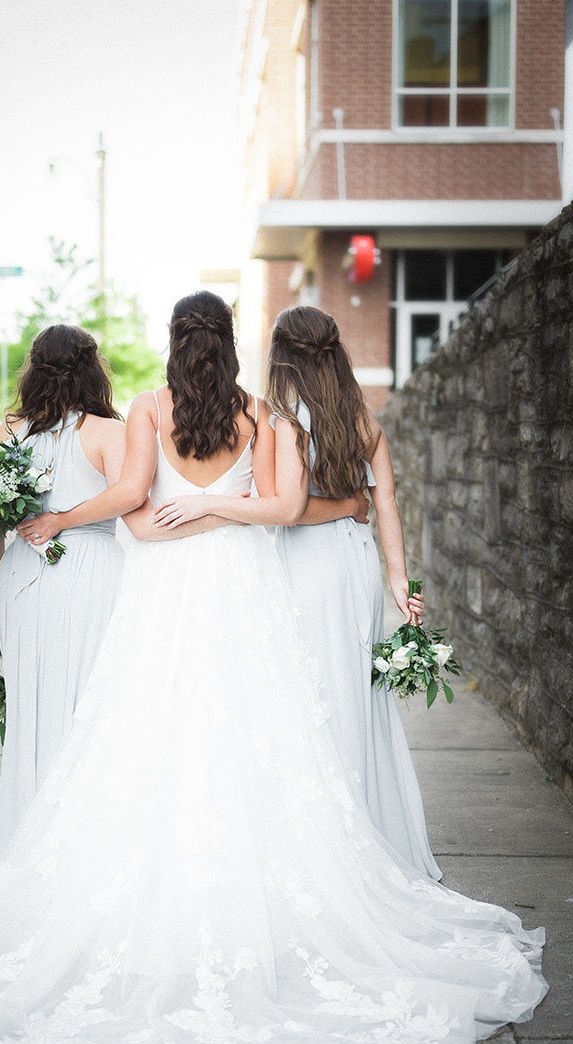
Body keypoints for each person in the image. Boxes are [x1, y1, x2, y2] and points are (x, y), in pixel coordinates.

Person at [0, 292, 546, 1044]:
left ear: (173, 343)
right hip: (241, 583)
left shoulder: (150, 409)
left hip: (166, 589)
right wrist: (226, 511)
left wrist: (181, 517)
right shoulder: (259, 415)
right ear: (228, 343)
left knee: (152, 731)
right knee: (253, 731)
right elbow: (283, 509)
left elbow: (139, 516)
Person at [153, 306, 439, 880]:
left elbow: (287, 511)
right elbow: (383, 502)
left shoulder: (287, 420)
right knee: (354, 690)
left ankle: (329, 841)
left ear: (282, 356)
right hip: (354, 564)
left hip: (305, 564)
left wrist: (209, 502)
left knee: (311, 695)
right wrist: (399, 579)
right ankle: (368, 830)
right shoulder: (362, 416)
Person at [0, 324, 125, 863]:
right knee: (90, 710)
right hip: (93, 574)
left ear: (34, 368)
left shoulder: (7, 432)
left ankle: (31, 853)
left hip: (22, 578)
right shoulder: (109, 431)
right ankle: (85, 855)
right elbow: (131, 504)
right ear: (92, 367)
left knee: (35, 708)